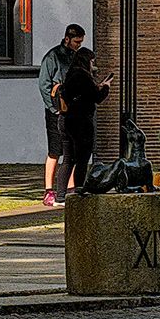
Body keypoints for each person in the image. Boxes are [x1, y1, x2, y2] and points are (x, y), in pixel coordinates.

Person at [51, 44, 111, 203]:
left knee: (68, 158)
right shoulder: (83, 76)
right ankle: (79, 189)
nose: (93, 65)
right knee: (82, 158)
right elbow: (96, 97)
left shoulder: (70, 74)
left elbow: (78, 93)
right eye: (91, 61)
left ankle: (60, 195)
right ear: (86, 61)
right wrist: (105, 87)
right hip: (81, 122)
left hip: (66, 120)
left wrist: (96, 87)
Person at [37, 22, 84, 206]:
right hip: (57, 110)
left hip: (73, 110)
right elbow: (44, 84)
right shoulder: (53, 57)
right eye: (76, 42)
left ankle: (70, 188)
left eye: (80, 42)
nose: (78, 45)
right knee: (55, 150)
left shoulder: (77, 57)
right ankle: (49, 191)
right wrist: (53, 108)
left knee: (71, 151)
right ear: (67, 39)